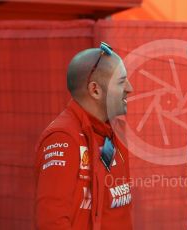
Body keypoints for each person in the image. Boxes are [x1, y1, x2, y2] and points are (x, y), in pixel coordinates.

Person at [35, 42, 133, 230]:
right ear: (95, 90)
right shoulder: (62, 138)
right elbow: (51, 221)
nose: (130, 88)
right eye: (121, 82)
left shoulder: (116, 131)